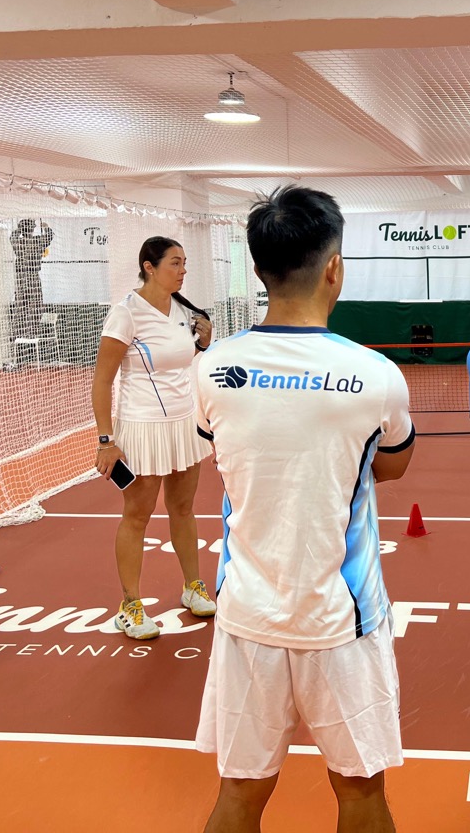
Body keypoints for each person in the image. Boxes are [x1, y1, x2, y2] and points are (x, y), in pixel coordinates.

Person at [193, 186, 416, 833]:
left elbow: (219, 448)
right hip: (341, 622)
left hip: (247, 617)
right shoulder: (374, 374)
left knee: (239, 793)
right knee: (362, 794)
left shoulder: (214, 367)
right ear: (334, 267)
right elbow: (392, 466)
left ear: (258, 269)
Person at [92, 236, 217, 640]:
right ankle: (129, 606)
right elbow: (102, 381)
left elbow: (177, 362)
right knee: (137, 516)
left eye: (184, 262)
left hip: (183, 424)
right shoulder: (126, 314)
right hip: (141, 428)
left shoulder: (185, 311)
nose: (183, 270)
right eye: (175, 263)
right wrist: (106, 440)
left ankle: (193, 587)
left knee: (183, 509)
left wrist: (203, 343)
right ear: (149, 266)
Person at [9, 218, 53, 352]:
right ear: (33, 229)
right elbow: (49, 237)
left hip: (21, 277)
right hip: (33, 276)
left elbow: (12, 237)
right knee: (35, 305)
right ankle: (32, 334)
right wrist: (46, 227)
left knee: (20, 306)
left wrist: (19, 229)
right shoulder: (37, 241)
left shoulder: (19, 242)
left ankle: (17, 335)